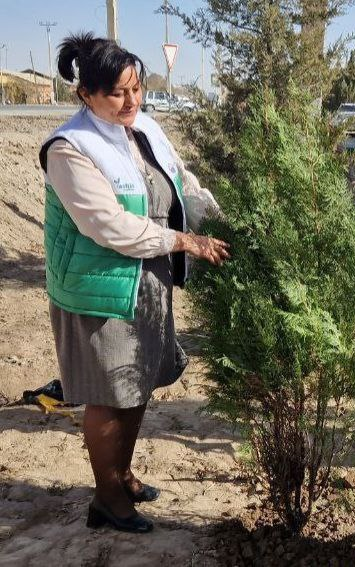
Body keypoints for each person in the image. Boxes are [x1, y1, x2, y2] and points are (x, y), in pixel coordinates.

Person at [40, 33, 230, 533]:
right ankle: (107, 502)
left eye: (137, 88)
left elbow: (180, 178)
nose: (132, 101)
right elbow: (107, 225)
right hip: (99, 285)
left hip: (147, 277)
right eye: (118, 93)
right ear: (86, 95)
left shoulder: (142, 126)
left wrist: (220, 217)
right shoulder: (69, 148)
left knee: (137, 382)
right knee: (109, 393)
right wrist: (184, 241)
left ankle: (122, 476)